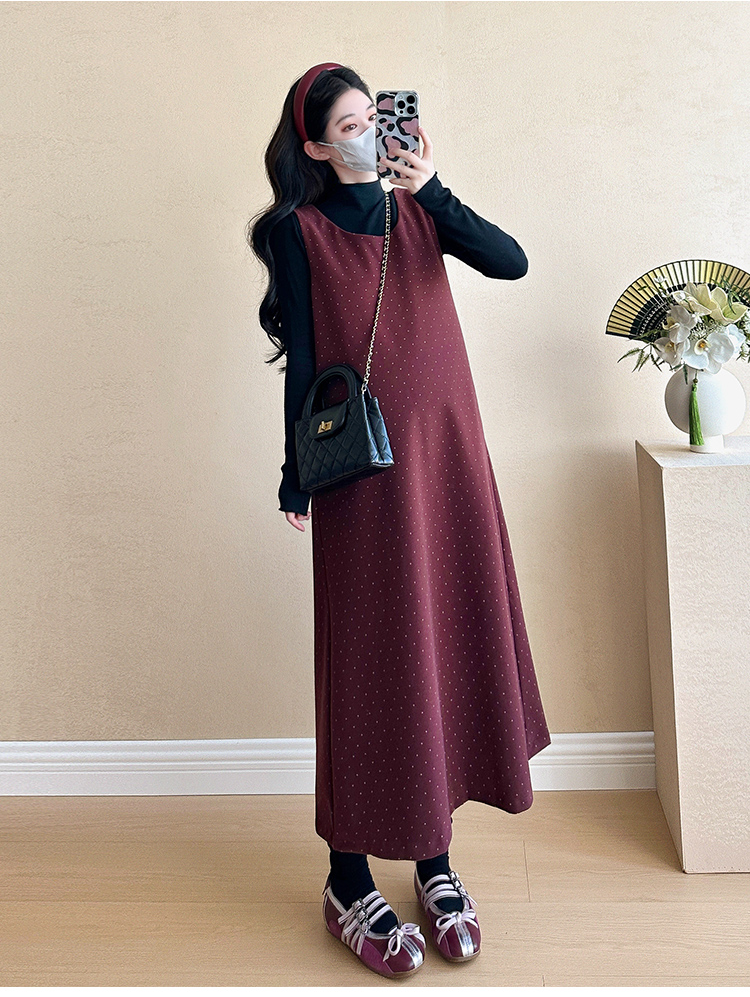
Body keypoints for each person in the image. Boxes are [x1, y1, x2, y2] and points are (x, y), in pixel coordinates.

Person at [249, 62, 552, 980]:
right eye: (347, 126)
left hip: (448, 465)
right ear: (314, 145)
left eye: (372, 118)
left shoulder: (419, 207)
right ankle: (347, 876)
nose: (367, 136)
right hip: (364, 475)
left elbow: (511, 261)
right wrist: (297, 477)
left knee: (443, 645)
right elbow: (308, 363)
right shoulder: (299, 231)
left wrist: (434, 188)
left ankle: (435, 860)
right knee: (371, 656)